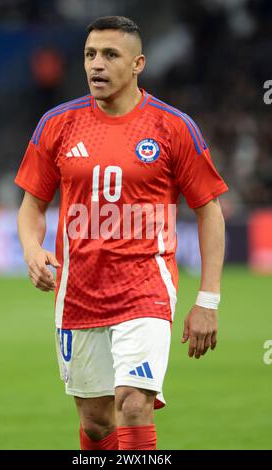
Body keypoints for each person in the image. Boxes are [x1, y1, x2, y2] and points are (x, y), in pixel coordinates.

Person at [15, 16, 228, 451]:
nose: (97, 64)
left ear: (137, 64)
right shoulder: (57, 123)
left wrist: (207, 300)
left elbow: (209, 211)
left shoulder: (173, 127)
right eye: (90, 54)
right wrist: (32, 248)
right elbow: (31, 207)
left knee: (132, 402)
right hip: (78, 292)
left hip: (145, 288)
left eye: (110, 55)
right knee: (95, 422)